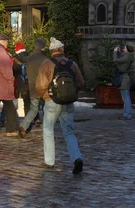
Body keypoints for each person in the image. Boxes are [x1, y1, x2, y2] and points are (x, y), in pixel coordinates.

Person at [36, 37, 84, 174]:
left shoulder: (46, 64)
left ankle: (49, 161)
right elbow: (81, 83)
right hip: (68, 102)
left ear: (51, 51)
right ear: (62, 49)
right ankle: (77, 157)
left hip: (51, 101)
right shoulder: (72, 64)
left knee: (48, 130)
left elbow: (40, 86)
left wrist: (45, 97)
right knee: (69, 131)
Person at [17, 38, 47, 138]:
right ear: (42, 47)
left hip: (32, 88)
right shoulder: (44, 59)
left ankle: (23, 125)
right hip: (43, 88)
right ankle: (47, 127)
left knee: (34, 109)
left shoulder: (29, 58)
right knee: (47, 107)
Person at [113, 44, 135, 120]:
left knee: (126, 98)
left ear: (127, 49)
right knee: (126, 98)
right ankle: (126, 114)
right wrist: (118, 53)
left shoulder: (127, 56)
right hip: (124, 78)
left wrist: (115, 52)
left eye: (125, 48)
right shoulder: (128, 56)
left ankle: (127, 115)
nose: (123, 49)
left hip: (124, 79)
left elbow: (116, 60)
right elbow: (121, 61)